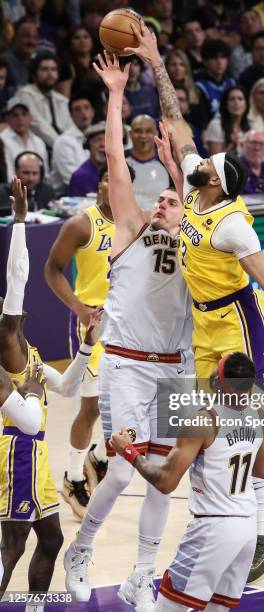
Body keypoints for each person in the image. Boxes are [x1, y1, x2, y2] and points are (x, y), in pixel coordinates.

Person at [125, 20, 264, 584]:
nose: (200, 158)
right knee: (219, 421)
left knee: (252, 420)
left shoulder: (234, 225)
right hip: (205, 324)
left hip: (239, 322)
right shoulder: (195, 181)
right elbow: (177, 120)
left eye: (209, 161)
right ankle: (231, 513)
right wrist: (157, 60)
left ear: (217, 181)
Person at [64, 52, 192, 608]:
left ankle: (143, 572)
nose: (163, 201)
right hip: (127, 362)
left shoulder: (195, 239)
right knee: (118, 472)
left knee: (164, 473)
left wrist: (179, 165)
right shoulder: (132, 227)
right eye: (159, 196)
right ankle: (82, 548)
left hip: (176, 368)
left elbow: (196, 186)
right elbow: (115, 157)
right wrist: (116, 92)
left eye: (172, 198)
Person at [0, 176, 101, 610]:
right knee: (13, 545)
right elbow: (18, 276)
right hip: (18, 449)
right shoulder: (7, 340)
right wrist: (21, 222)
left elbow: (66, 387)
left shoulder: (29, 352)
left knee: (53, 538)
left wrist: (85, 347)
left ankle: (37, 607)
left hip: (36, 453)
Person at [110, 351, 264, 612]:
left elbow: (165, 482)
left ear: (219, 382)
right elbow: (263, 470)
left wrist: (129, 452)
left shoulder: (204, 420)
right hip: (246, 532)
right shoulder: (258, 414)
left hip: (212, 528)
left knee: (166, 608)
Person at [45, 164, 135, 519]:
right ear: (99, 185)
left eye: (120, 179)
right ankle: (71, 479)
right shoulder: (82, 224)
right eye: (108, 177)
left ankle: (98, 457)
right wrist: (79, 308)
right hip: (92, 324)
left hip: (129, 325)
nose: (113, 185)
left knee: (139, 401)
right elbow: (52, 269)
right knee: (91, 407)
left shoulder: (137, 221)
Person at [18, 51, 73, 149]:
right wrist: (63, 147)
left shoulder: (60, 99)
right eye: (44, 69)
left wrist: (74, 146)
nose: (50, 73)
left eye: (53, 69)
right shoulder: (25, 94)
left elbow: (70, 127)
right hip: (38, 147)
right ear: (34, 75)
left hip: (63, 147)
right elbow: (37, 125)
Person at [50, 94, 95, 197]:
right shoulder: (63, 141)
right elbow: (71, 178)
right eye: (77, 109)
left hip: (94, 191)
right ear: (71, 115)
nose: (83, 112)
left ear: (93, 112)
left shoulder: (100, 137)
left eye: (86, 108)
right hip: (64, 196)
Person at [125, 114, 170, 209]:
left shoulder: (168, 163)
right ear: (130, 134)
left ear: (156, 134)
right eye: (138, 131)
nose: (143, 135)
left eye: (148, 131)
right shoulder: (119, 161)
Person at [0, 96, 48, 182]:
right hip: (12, 190)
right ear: (7, 118)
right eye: (15, 115)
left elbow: (44, 174)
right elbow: (8, 177)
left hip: (37, 190)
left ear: (30, 118)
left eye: (24, 114)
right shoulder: (2, 141)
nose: (20, 118)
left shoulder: (39, 142)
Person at [195, 39, 235, 122]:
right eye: (214, 58)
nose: (219, 62)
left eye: (222, 57)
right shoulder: (200, 87)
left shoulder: (232, 83)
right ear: (205, 62)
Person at [206, 85, 250, 156]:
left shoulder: (252, 125)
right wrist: (232, 146)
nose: (236, 102)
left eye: (240, 99)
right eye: (232, 99)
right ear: (225, 104)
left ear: (246, 104)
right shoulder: (215, 125)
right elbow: (214, 162)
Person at [68, 121, 106, 197]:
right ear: (88, 146)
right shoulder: (80, 177)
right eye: (97, 140)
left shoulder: (123, 172)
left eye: (107, 140)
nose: (103, 144)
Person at [0, 20, 38, 88]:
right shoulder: (4, 61)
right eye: (27, 36)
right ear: (16, 38)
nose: (31, 41)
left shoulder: (36, 62)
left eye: (35, 38)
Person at [229, 9, 263, 81]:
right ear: (239, 27)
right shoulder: (236, 54)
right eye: (244, 21)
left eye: (253, 19)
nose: (249, 23)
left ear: (261, 23)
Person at [124, 56, 161, 120]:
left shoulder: (150, 90)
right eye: (127, 65)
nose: (132, 69)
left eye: (136, 64)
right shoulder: (118, 94)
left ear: (140, 68)